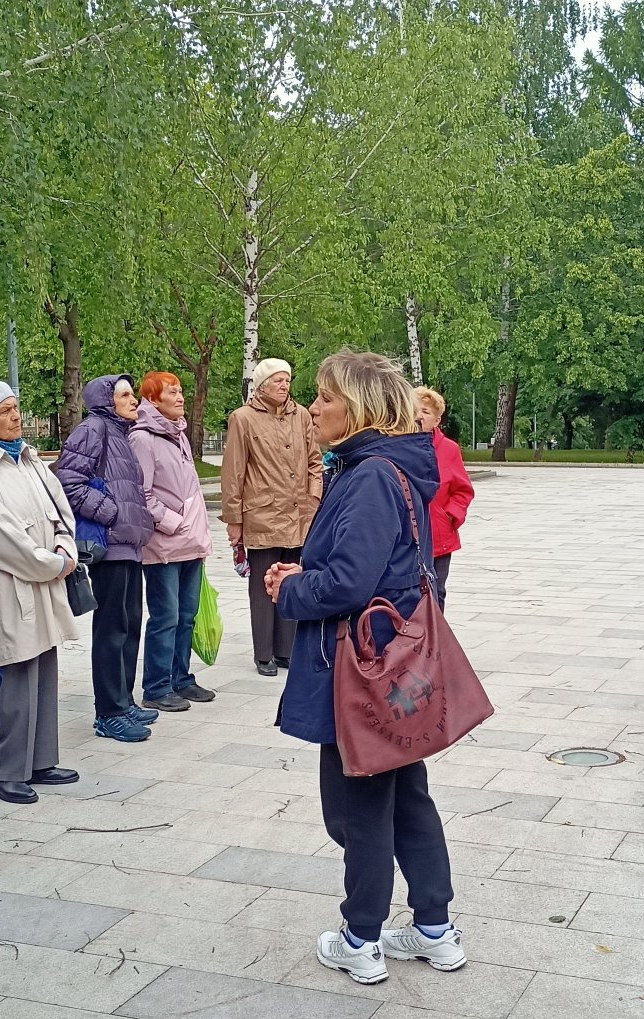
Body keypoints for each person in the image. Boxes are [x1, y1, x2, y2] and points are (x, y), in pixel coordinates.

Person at [263, 350, 462, 986]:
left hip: (363, 670)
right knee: (404, 794)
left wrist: (290, 589)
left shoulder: (371, 473)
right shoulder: (381, 466)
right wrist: (302, 574)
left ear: (360, 408)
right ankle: (434, 927)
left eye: (323, 396)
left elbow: (350, 582)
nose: (313, 407)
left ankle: (361, 935)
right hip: (388, 666)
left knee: (359, 805)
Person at [0, 382, 94, 804]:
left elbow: (61, 512)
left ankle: (40, 760)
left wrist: (66, 548)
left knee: (45, 664)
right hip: (8, 582)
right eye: (4, 411)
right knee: (16, 673)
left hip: (45, 575)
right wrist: (52, 563)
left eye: (16, 408)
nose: (15, 417)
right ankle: (6, 770)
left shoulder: (29, 457)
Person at [54, 373, 158, 741]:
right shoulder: (93, 428)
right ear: (105, 399)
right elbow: (67, 481)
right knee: (112, 630)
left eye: (133, 394)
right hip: (110, 546)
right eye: (125, 395)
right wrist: (110, 512)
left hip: (129, 546)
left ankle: (124, 700)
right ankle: (108, 712)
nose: (134, 400)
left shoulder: (119, 433)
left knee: (130, 625)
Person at [221, 357, 322, 677]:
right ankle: (263, 652)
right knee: (263, 586)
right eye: (277, 380)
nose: (284, 385)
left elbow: (315, 463)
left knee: (291, 580)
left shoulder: (302, 415)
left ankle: (286, 650)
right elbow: (233, 471)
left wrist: (313, 498)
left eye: (287, 380)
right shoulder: (243, 418)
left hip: (299, 514)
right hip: (262, 514)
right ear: (262, 385)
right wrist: (233, 519)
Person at [130, 371, 216, 712]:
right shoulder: (143, 438)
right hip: (164, 545)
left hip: (190, 543)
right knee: (166, 617)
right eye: (172, 392)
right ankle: (156, 686)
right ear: (153, 400)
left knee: (187, 616)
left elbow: (189, 491)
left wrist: (198, 533)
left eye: (181, 391)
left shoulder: (177, 433)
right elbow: (142, 492)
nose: (181, 397)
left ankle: (181, 679)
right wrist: (173, 522)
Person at [414, 386, 475, 600]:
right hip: (408, 535)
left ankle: (436, 634)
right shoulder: (397, 445)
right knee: (411, 593)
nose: (419, 416)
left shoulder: (448, 449)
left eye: (426, 412)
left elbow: (463, 491)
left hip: (438, 536)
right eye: (415, 410)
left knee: (436, 591)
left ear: (437, 420)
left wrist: (449, 515)